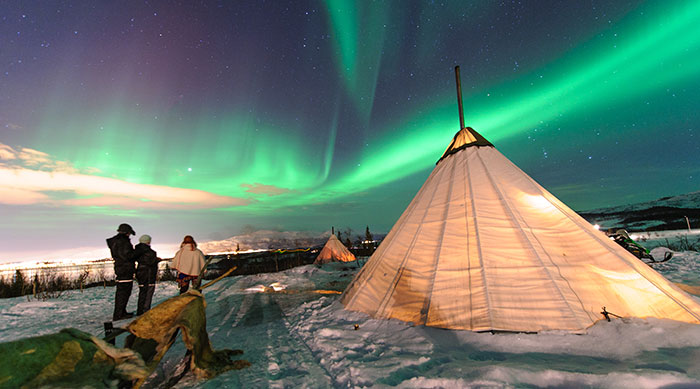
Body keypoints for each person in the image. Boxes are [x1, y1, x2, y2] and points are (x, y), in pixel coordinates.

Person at [106, 223, 136, 320]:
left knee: (122, 292)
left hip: (120, 268)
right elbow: (127, 256)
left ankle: (121, 312)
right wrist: (137, 252)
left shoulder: (116, 242)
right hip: (125, 269)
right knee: (124, 292)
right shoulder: (123, 242)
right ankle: (119, 314)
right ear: (126, 233)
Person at [134, 234, 159, 315]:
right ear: (148, 242)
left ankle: (140, 310)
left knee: (142, 292)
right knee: (148, 293)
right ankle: (145, 311)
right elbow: (150, 262)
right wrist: (156, 260)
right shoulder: (150, 252)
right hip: (149, 274)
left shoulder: (136, 251)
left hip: (140, 273)